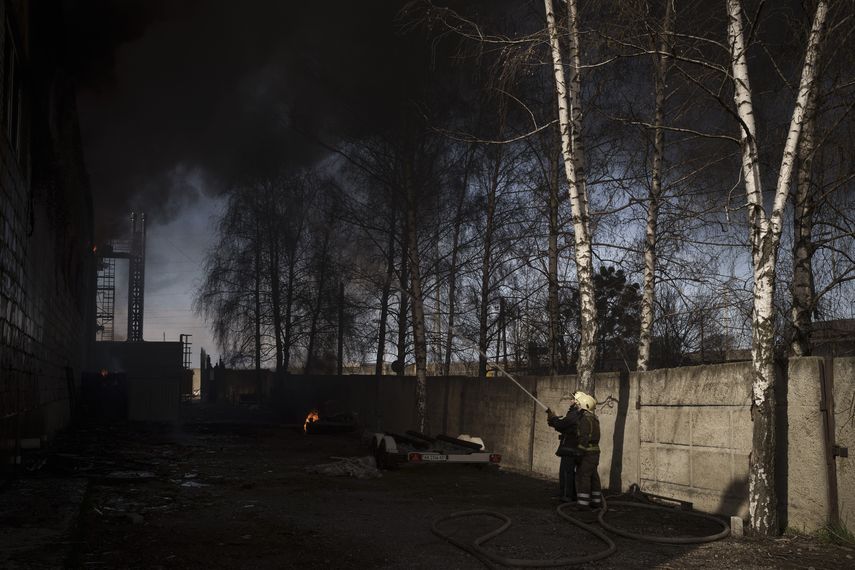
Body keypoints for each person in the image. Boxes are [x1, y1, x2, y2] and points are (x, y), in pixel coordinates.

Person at [546, 395, 582, 503]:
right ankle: (570, 495)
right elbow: (564, 427)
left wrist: (553, 418)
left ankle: (567, 496)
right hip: (570, 447)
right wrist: (553, 420)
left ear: (577, 402)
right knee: (568, 472)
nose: (570, 400)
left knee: (566, 473)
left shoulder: (574, 414)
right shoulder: (575, 414)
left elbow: (562, 424)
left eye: (573, 399)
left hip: (570, 448)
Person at [572, 391, 602, 509]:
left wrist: (579, 453)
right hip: (595, 453)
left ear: (584, 406)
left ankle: (583, 504)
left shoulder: (585, 420)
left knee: (583, 476)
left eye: (578, 404)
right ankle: (596, 501)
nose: (577, 405)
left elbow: (584, 438)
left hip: (587, 453)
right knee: (594, 477)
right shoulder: (594, 419)